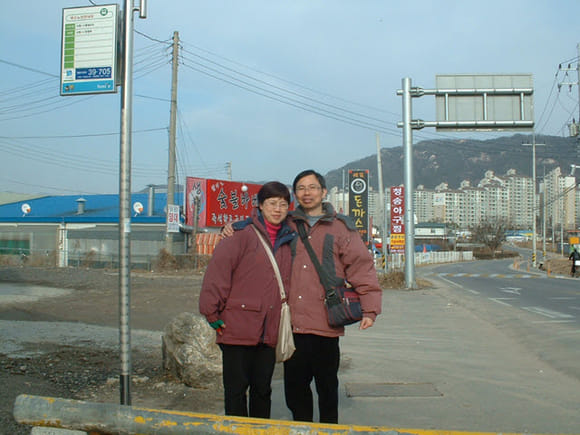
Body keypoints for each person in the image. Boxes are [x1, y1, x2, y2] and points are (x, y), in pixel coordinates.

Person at [224, 169, 382, 424]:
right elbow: (257, 226)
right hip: (292, 323)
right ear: (295, 194)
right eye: (300, 188)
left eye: (312, 187)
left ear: (323, 192)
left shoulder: (341, 228)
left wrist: (370, 309)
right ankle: (302, 429)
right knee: (295, 388)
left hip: (326, 322)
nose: (306, 193)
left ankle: (329, 429)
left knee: (327, 386)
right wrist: (231, 227)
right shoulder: (286, 223)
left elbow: (361, 267)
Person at [199, 181, 296, 418]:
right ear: (260, 206)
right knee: (235, 390)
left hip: (269, 329)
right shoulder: (240, 235)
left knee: (262, 390)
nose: (277, 209)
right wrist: (211, 314)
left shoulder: (289, 239)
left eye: (283, 204)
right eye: (272, 203)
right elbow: (217, 275)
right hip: (236, 327)